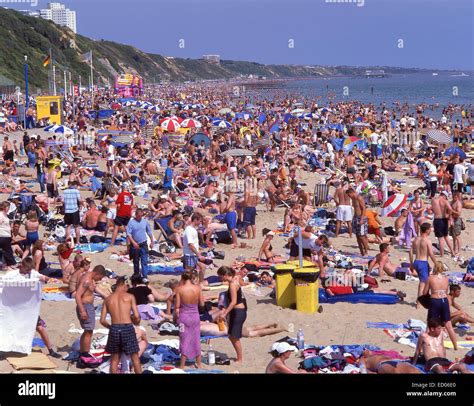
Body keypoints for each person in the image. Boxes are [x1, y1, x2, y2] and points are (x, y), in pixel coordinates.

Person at [5, 257, 62, 358]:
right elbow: (3, 283)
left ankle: (51, 350)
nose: (28, 271)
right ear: (21, 266)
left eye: (30, 269)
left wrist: (47, 279)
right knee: (8, 326)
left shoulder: (32, 273)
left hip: (29, 308)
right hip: (14, 307)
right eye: (27, 269)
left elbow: (42, 277)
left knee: (40, 327)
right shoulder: (12, 275)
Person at [100, 276, 142, 374]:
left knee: (114, 359)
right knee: (135, 357)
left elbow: (102, 320)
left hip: (114, 328)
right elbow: (136, 316)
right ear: (124, 285)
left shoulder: (108, 299)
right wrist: (135, 321)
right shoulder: (130, 297)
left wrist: (111, 327)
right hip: (127, 327)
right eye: (127, 287)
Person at [423, 261, 458, 350]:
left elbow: (424, 292)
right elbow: (446, 291)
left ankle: (425, 345)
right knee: (448, 325)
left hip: (435, 301)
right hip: (444, 301)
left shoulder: (430, 278)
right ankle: (455, 346)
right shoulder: (446, 278)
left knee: (430, 324)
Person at [217, 266, 247, 363]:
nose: (220, 279)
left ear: (226, 275)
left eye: (221, 277)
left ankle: (240, 358)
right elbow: (240, 279)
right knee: (231, 336)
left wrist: (225, 313)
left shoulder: (233, 285)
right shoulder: (236, 278)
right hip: (239, 311)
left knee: (234, 337)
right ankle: (239, 357)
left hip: (238, 312)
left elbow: (233, 302)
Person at [174, 270, 204, 369]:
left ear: (182, 278)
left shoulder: (179, 289)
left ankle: (182, 365)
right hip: (195, 315)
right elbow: (202, 304)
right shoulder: (198, 288)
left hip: (184, 316)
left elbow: (177, 306)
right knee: (196, 339)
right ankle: (199, 364)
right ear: (192, 278)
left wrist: (175, 318)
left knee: (184, 339)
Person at [75, 265, 107, 358]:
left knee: (87, 331)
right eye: (100, 277)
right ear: (97, 273)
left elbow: (95, 289)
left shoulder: (91, 278)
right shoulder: (87, 280)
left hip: (88, 307)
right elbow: (78, 295)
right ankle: (85, 353)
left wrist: (106, 296)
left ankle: (83, 351)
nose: (99, 279)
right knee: (89, 331)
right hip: (85, 307)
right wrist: (82, 310)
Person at [410, 222, 438, 309]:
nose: (431, 231)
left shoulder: (416, 239)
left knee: (426, 282)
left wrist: (411, 264)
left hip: (416, 261)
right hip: (423, 262)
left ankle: (424, 300)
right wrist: (436, 263)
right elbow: (430, 253)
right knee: (422, 283)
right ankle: (418, 303)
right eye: (430, 229)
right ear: (426, 230)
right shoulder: (427, 240)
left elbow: (410, 251)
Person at [126, 208, 154, 281]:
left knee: (144, 261)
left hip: (143, 244)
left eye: (141, 216)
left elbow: (149, 231)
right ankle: (136, 275)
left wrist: (152, 241)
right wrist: (133, 243)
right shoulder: (131, 223)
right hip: (135, 245)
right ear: (136, 215)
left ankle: (144, 276)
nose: (140, 217)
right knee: (136, 262)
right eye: (139, 216)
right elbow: (128, 234)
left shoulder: (144, 221)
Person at [182, 213, 207, 280]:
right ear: (195, 220)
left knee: (203, 267)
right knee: (188, 273)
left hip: (192, 254)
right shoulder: (189, 230)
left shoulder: (192, 229)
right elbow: (190, 245)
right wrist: (199, 255)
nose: (200, 223)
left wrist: (199, 248)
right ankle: (184, 286)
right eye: (200, 221)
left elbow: (192, 243)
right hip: (189, 255)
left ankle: (200, 284)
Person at [346, 188, 369, 256]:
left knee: (362, 236)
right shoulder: (353, 199)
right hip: (356, 217)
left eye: (349, 195)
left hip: (361, 218)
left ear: (352, 193)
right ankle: (361, 252)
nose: (349, 196)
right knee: (357, 236)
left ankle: (366, 251)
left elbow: (364, 208)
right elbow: (356, 209)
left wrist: (362, 219)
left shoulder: (359, 197)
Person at [431, 191, 455, 257]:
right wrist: (448, 215)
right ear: (444, 195)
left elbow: (432, 210)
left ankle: (442, 254)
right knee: (446, 236)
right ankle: (452, 252)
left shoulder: (433, 200)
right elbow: (450, 209)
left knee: (440, 238)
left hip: (437, 219)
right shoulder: (445, 201)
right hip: (444, 219)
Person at [0, 201, 16, 270]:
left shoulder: (5, 214)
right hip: (2, 235)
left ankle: (9, 264)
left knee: (7, 250)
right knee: (7, 250)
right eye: (7, 207)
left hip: (6, 235)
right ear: (4, 207)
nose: (8, 208)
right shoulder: (1, 214)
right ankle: (11, 264)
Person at [449, 191, 463, 257]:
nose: (455, 198)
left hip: (457, 220)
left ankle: (459, 251)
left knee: (457, 236)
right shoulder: (451, 202)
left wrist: (452, 211)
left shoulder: (458, 203)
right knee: (453, 236)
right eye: (454, 197)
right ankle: (454, 249)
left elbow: (459, 213)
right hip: (452, 219)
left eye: (456, 197)